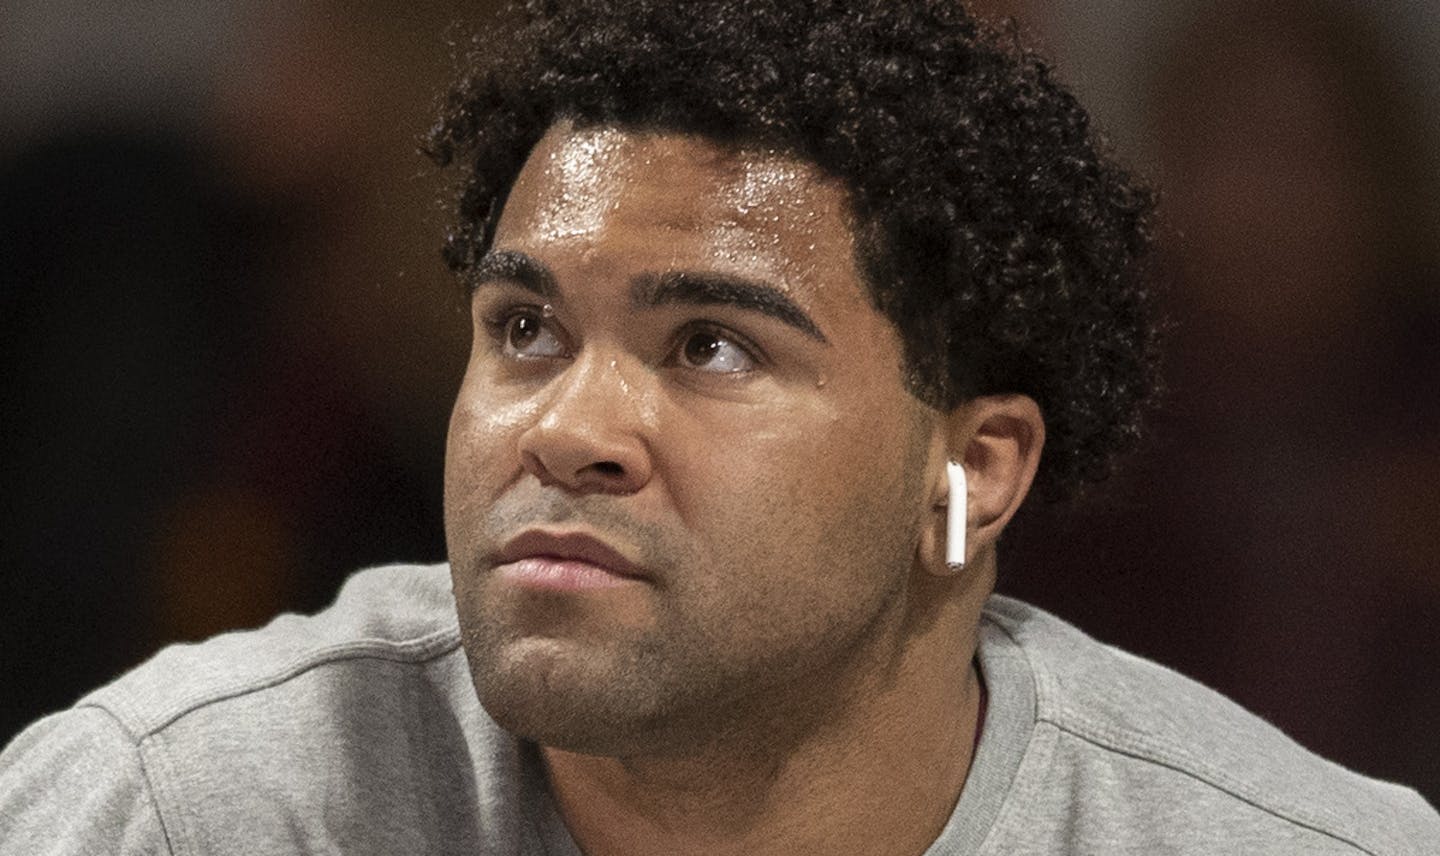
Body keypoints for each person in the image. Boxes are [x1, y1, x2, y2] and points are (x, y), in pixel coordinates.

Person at [1, 0, 1435, 852]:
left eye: (710, 346)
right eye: (526, 330)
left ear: (975, 470)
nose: (570, 427)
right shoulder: (182, 809)